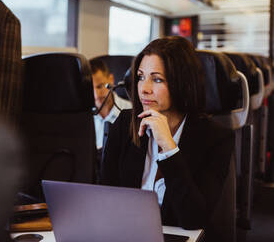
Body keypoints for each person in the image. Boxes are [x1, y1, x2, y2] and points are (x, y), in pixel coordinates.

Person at [101, 36, 235, 230]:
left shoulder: (216, 138)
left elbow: (194, 218)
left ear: (182, 83)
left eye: (157, 79)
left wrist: (169, 148)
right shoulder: (124, 124)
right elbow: (104, 198)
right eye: (140, 77)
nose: (144, 89)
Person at [90, 59, 132, 150]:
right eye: (91, 88)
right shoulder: (84, 116)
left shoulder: (130, 110)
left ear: (111, 79)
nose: (96, 95)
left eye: (100, 86)